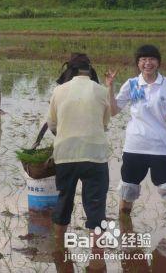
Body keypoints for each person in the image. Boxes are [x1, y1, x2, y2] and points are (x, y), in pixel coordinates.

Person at [106, 44, 166, 218]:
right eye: (143, 59)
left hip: (160, 147)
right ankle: (125, 231)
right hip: (135, 147)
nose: (148, 63)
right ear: (138, 63)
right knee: (128, 191)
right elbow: (114, 111)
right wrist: (110, 87)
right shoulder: (131, 84)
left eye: (152, 59)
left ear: (158, 62)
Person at [46, 54, 111, 242]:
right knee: (96, 206)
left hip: (66, 156)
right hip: (95, 156)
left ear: (70, 70)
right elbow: (104, 124)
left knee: (64, 200)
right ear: (90, 70)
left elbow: (52, 124)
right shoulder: (101, 91)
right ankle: (97, 257)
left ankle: (60, 247)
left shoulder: (59, 91)